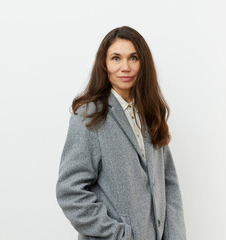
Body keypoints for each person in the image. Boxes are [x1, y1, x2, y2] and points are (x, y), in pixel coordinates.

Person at [56, 26, 186, 240]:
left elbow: (168, 183)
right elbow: (69, 192)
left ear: (143, 64)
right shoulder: (89, 117)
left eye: (133, 58)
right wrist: (118, 235)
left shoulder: (150, 113)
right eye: (116, 58)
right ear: (104, 65)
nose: (125, 67)